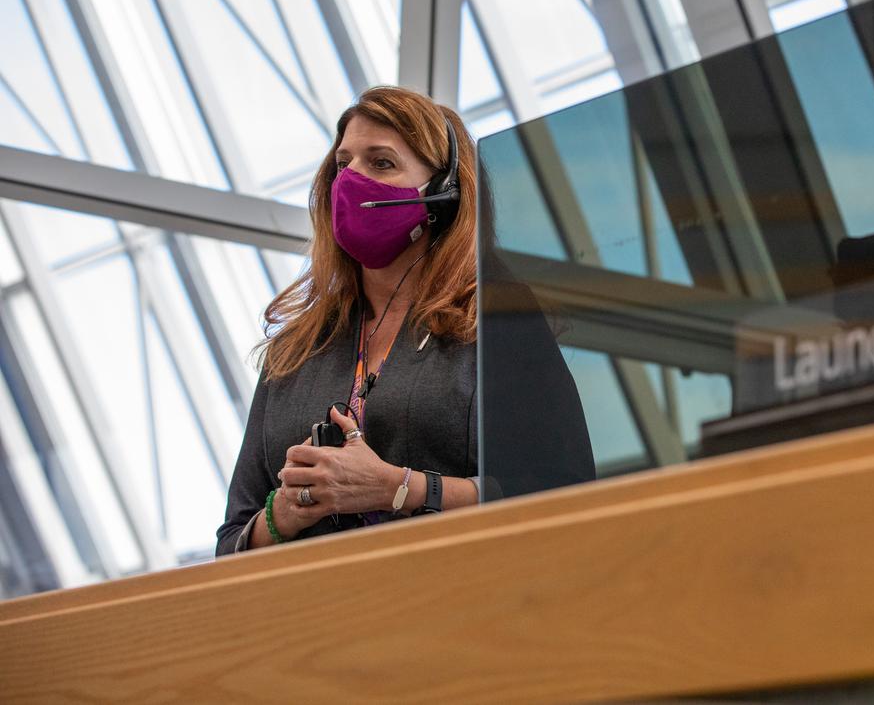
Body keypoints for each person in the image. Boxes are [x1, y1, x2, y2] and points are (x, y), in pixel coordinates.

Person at [216, 86, 593, 554]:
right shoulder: (295, 350)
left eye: (381, 163)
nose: (351, 179)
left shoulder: (495, 318)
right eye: (343, 164)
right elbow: (231, 540)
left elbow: (562, 488)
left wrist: (401, 488)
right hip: (322, 598)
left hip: (460, 590)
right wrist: (283, 515)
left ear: (442, 194)